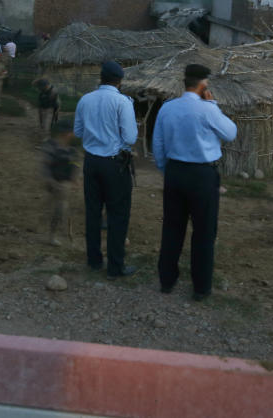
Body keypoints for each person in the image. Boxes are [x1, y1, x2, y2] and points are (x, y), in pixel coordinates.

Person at [152, 64, 237, 301]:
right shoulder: (208, 109)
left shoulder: (167, 108)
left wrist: (165, 169)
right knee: (204, 232)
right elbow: (230, 133)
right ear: (203, 86)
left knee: (171, 228)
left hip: (175, 172)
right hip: (202, 175)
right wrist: (212, 104)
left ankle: (166, 281)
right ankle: (201, 288)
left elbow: (157, 143)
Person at [73, 61, 139, 279]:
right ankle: (115, 267)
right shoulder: (122, 102)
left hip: (91, 162)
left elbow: (78, 131)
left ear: (100, 78)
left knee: (93, 212)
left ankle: (93, 261)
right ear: (119, 81)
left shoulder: (85, 99)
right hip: (114, 164)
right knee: (117, 215)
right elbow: (130, 137)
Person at [41, 118, 78, 247]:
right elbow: (45, 165)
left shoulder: (72, 149)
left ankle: (54, 233)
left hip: (64, 184)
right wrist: (49, 180)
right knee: (57, 208)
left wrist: (74, 179)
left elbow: (74, 164)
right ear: (66, 133)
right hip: (54, 182)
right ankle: (52, 234)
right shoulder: (51, 146)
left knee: (60, 208)